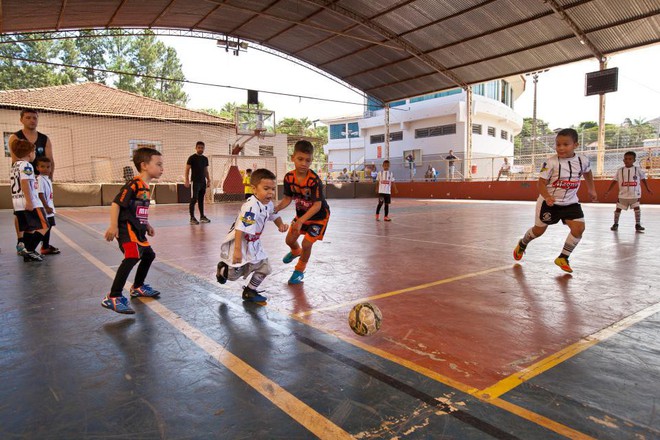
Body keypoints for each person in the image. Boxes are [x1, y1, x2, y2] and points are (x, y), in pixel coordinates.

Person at [513, 128, 597, 273]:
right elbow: (540, 183)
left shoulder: (582, 160)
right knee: (538, 231)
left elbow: (588, 172)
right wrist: (547, 196)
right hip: (549, 203)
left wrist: (591, 189)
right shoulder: (551, 163)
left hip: (570, 202)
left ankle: (563, 257)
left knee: (579, 229)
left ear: (575, 145)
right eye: (558, 144)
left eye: (566, 144)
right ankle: (522, 243)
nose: (561, 148)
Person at [102, 148, 163, 315]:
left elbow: (138, 210)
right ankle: (113, 296)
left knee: (149, 255)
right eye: (158, 164)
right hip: (126, 229)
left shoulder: (146, 187)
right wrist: (113, 226)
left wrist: (147, 224)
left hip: (139, 231)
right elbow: (116, 204)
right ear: (144, 165)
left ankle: (137, 287)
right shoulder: (133, 184)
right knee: (132, 256)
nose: (162, 168)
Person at [216, 169, 288, 303]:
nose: (271, 192)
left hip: (255, 243)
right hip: (241, 242)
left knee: (265, 268)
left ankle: (250, 291)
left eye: (273, 189)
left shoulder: (268, 204)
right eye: (266, 188)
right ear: (254, 189)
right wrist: (237, 250)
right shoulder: (251, 207)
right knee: (232, 276)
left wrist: (281, 225)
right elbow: (241, 228)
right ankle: (222, 269)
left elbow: (274, 215)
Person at [275, 140, 331, 285]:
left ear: (311, 160)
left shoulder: (314, 180)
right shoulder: (289, 178)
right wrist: (277, 208)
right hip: (302, 216)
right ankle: (295, 251)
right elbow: (287, 198)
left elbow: (317, 205)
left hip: (318, 217)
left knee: (307, 243)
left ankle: (299, 271)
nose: (304, 163)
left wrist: (300, 221)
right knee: (289, 240)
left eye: (308, 160)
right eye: (300, 159)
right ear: (293, 157)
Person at [8, 108, 54, 255]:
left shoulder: (44, 139)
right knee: (26, 215)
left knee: (38, 214)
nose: (32, 120)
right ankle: (23, 244)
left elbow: (50, 160)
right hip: (26, 183)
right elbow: (16, 159)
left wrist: (49, 179)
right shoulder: (15, 138)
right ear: (22, 119)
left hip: (37, 181)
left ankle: (39, 245)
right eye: (28, 117)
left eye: (34, 118)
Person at [9, 139, 49, 262]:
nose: (35, 155)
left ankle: (27, 251)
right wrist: (30, 201)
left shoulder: (14, 166)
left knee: (29, 228)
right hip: (29, 202)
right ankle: (30, 250)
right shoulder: (26, 165)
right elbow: (25, 182)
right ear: (29, 153)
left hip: (17, 203)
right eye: (34, 152)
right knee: (45, 225)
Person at [604, 151, 652, 232]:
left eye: (630, 159)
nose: (627, 160)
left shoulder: (637, 169)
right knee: (618, 209)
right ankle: (615, 224)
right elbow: (614, 181)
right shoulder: (620, 170)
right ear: (623, 160)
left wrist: (648, 188)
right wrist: (608, 191)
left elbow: (643, 179)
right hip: (623, 195)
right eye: (626, 159)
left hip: (634, 194)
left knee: (637, 208)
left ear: (634, 160)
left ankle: (638, 224)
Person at [35, 157, 60, 255]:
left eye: (48, 167)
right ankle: (31, 247)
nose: (45, 169)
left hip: (49, 207)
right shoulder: (40, 179)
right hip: (45, 208)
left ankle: (45, 246)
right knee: (44, 228)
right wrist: (46, 207)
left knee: (49, 227)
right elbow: (40, 194)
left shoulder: (47, 179)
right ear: (37, 167)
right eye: (42, 166)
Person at [184, 141, 211, 225]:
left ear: (204, 148)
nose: (200, 149)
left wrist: (208, 180)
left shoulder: (205, 159)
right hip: (195, 182)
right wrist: (187, 180)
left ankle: (202, 216)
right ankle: (192, 218)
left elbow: (206, 171)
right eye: (199, 147)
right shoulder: (192, 158)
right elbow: (187, 169)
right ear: (196, 148)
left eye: (202, 148)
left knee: (201, 200)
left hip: (203, 182)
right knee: (194, 199)